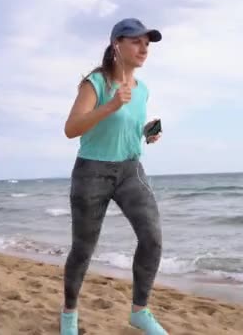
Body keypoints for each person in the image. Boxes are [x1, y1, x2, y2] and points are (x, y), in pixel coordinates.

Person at [60, 18, 167, 335]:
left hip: (130, 169)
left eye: (147, 43)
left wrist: (147, 134)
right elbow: (71, 129)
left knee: (152, 239)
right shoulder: (96, 83)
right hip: (92, 170)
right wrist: (109, 106)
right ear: (116, 45)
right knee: (83, 249)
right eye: (136, 41)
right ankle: (69, 317)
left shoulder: (142, 90)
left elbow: (127, 129)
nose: (143, 48)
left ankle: (140, 311)